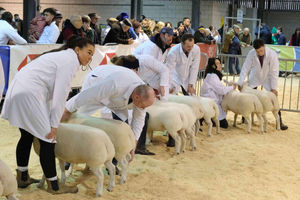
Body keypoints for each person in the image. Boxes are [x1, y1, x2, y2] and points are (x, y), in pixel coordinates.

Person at [1, 36, 95, 193]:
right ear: (77, 49)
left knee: (27, 135)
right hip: (29, 93)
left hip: (20, 90)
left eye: (93, 54)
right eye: (89, 52)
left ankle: (22, 177)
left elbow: (51, 93)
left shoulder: (62, 56)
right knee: (48, 138)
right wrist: (54, 125)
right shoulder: (69, 60)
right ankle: (54, 186)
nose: (90, 57)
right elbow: (60, 95)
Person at [61, 66, 156, 156]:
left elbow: (139, 119)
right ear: (136, 97)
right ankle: (70, 158)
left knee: (121, 129)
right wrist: (67, 109)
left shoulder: (142, 93)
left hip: (117, 99)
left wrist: (133, 143)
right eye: (143, 106)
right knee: (79, 119)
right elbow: (86, 95)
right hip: (97, 81)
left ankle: (114, 162)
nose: (142, 109)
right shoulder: (115, 83)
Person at [237, 39, 288, 130]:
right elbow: (245, 68)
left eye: (261, 50)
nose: (259, 53)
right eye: (257, 51)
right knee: (248, 97)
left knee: (273, 98)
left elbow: (274, 72)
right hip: (255, 77)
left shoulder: (272, 54)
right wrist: (240, 82)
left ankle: (279, 121)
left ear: (264, 46)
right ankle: (244, 118)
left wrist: (274, 88)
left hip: (268, 78)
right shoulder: (251, 53)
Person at [165, 33, 200, 146]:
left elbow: (195, 67)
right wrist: (169, 86)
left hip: (188, 78)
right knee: (172, 105)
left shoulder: (196, 49)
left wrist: (191, 84)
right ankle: (171, 134)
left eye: (192, 45)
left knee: (191, 102)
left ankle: (189, 128)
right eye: (188, 46)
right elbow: (169, 70)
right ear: (182, 44)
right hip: (175, 78)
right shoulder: (173, 52)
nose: (191, 48)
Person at [200, 58, 236, 128]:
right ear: (213, 66)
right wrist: (232, 87)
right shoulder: (212, 76)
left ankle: (207, 118)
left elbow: (220, 88)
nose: (220, 65)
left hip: (213, 102)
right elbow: (220, 90)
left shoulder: (212, 75)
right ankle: (206, 118)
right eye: (217, 63)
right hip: (211, 103)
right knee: (224, 125)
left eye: (220, 63)